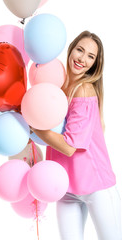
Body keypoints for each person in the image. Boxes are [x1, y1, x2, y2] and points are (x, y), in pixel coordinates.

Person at [31, 31, 122, 240]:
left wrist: (33, 126)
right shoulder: (57, 88)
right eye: (80, 50)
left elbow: (69, 147)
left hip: (97, 187)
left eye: (91, 56)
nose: (82, 59)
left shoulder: (84, 90)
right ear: (71, 49)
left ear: (95, 64)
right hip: (66, 187)